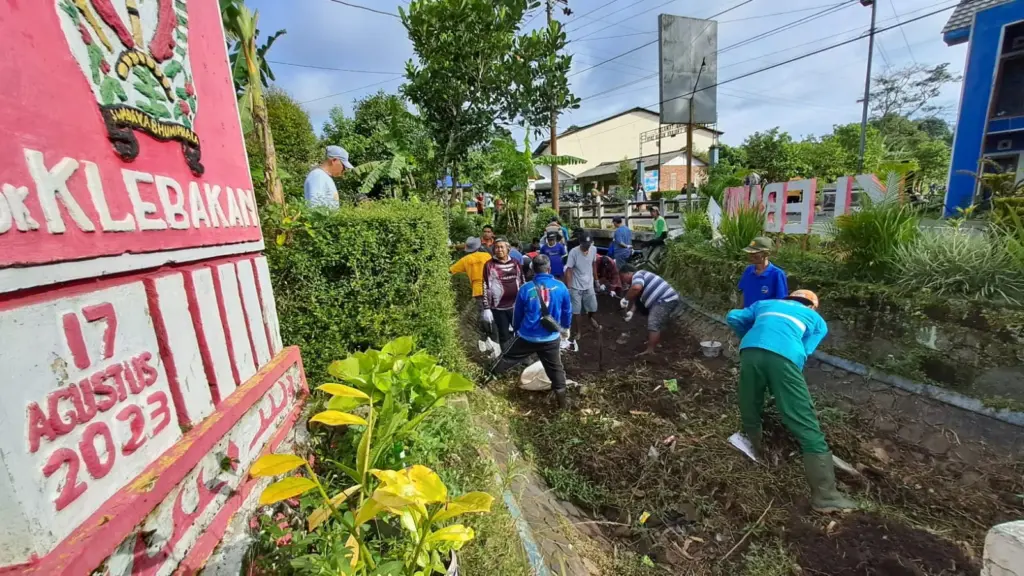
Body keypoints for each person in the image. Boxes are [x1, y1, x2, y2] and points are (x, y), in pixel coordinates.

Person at [725, 290, 857, 513]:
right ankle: (826, 497)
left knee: (750, 404)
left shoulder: (764, 303)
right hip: (785, 356)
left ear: (788, 298)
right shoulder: (816, 319)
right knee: (804, 420)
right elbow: (805, 349)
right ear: (812, 306)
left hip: (750, 351)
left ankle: (759, 453)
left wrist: (752, 338)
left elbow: (733, 317)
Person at [489, 254, 573, 409]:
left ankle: (485, 380)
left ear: (533, 269)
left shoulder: (525, 289)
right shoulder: (561, 287)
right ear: (549, 269)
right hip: (551, 338)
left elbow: (518, 314)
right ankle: (563, 404)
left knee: (507, 357)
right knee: (556, 369)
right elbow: (567, 311)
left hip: (527, 336)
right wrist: (565, 328)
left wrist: (516, 329)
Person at [450, 237, 498, 354]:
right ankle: (493, 338)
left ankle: (486, 337)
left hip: (478, 290)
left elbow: (451, 270)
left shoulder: (465, 260)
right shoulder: (486, 256)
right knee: (494, 312)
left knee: (483, 313)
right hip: (491, 288)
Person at [619, 266, 679, 356]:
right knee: (656, 322)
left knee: (653, 322)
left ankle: (650, 350)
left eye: (623, 277)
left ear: (628, 273)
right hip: (664, 300)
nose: (623, 281)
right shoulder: (640, 279)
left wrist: (625, 299)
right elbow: (638, 298)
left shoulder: (638, 274)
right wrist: (631, 311)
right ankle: (654, 342)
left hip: (665, 299)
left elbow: (636, 288)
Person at [482, 238, 525, 353]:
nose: (499, 249)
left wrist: (526, 301)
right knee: (504, 334)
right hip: (498, 308)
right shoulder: (489, 265)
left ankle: (521, 355)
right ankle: (507, 356)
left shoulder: (515, 263)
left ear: (508, 249)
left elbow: (522, 281)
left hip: (516, 306)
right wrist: (486, 308)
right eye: (496, 247)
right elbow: (485, 285)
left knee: (520, 331)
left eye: (502, 247)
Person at [563, 233, 601, 352]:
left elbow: (593, 264)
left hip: (589, 284)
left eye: (589, 245)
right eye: (585, 245)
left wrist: (596, 280)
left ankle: (590, 319)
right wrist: (569, 287)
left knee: (593, 307)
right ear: (580, 243)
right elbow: (569, 270)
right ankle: (579, 331)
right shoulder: (573, 253)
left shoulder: (593, 250)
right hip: (576, 286)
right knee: (577, 311)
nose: (587, 247)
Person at [738, 237, 788, 307]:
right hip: (748, 313)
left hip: (766, 313)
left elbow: (781, 301)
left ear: (766, 254)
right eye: (749, 253)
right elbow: (744, 293)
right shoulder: (748, 270)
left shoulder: (777, 274)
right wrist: (740, 310)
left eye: (755, 253)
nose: (751, 256)